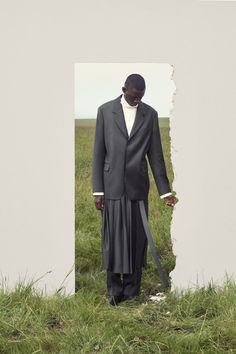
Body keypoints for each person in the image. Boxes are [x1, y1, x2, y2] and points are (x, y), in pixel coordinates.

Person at [92, 73, 178, 306]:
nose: (137, 101)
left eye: (141, 97)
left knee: (136, 240)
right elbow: (99, 153)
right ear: (124, 89)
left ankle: (131, 291)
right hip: (111, 188)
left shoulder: (149, 115)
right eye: (133, 96)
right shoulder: (105, 111)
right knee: (113, 240)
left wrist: (165, 191)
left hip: (138, 189)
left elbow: (156, 156)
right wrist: (97, 191)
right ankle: (114, 290)